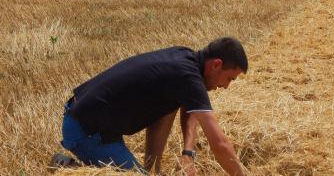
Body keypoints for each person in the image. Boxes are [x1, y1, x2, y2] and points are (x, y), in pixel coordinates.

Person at [52, 37, 248, 175]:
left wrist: (185, 154)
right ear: (216, 65)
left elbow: (185, 108)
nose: (226, 86)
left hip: (93, 122)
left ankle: (149, 170)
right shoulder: (187, 75)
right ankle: (68, 170)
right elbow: (220, 142)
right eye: (229, 78)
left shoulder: (184, 60)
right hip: (87, 130)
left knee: (168, 105)